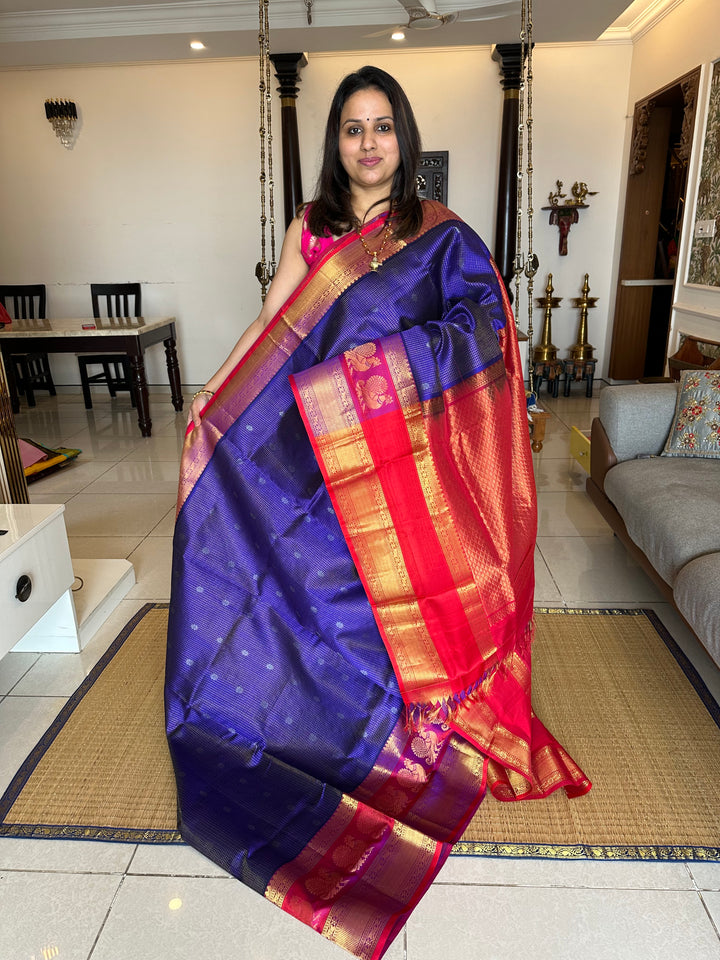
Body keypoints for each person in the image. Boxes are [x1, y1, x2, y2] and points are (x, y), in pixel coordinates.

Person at [166, 65, 590, 960]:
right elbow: (276, 325)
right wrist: (216, 394)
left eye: (382, 127)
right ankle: (312, 718)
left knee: (378, 592)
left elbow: (483, 328)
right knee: (304, 585)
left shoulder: (437, 237)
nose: (367, 144)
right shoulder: (312, 229)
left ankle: (399, 721)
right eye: (352, 129)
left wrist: (383, 376)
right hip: (306, 443)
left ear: (404, 136)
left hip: (392, 457)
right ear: (337, 143)